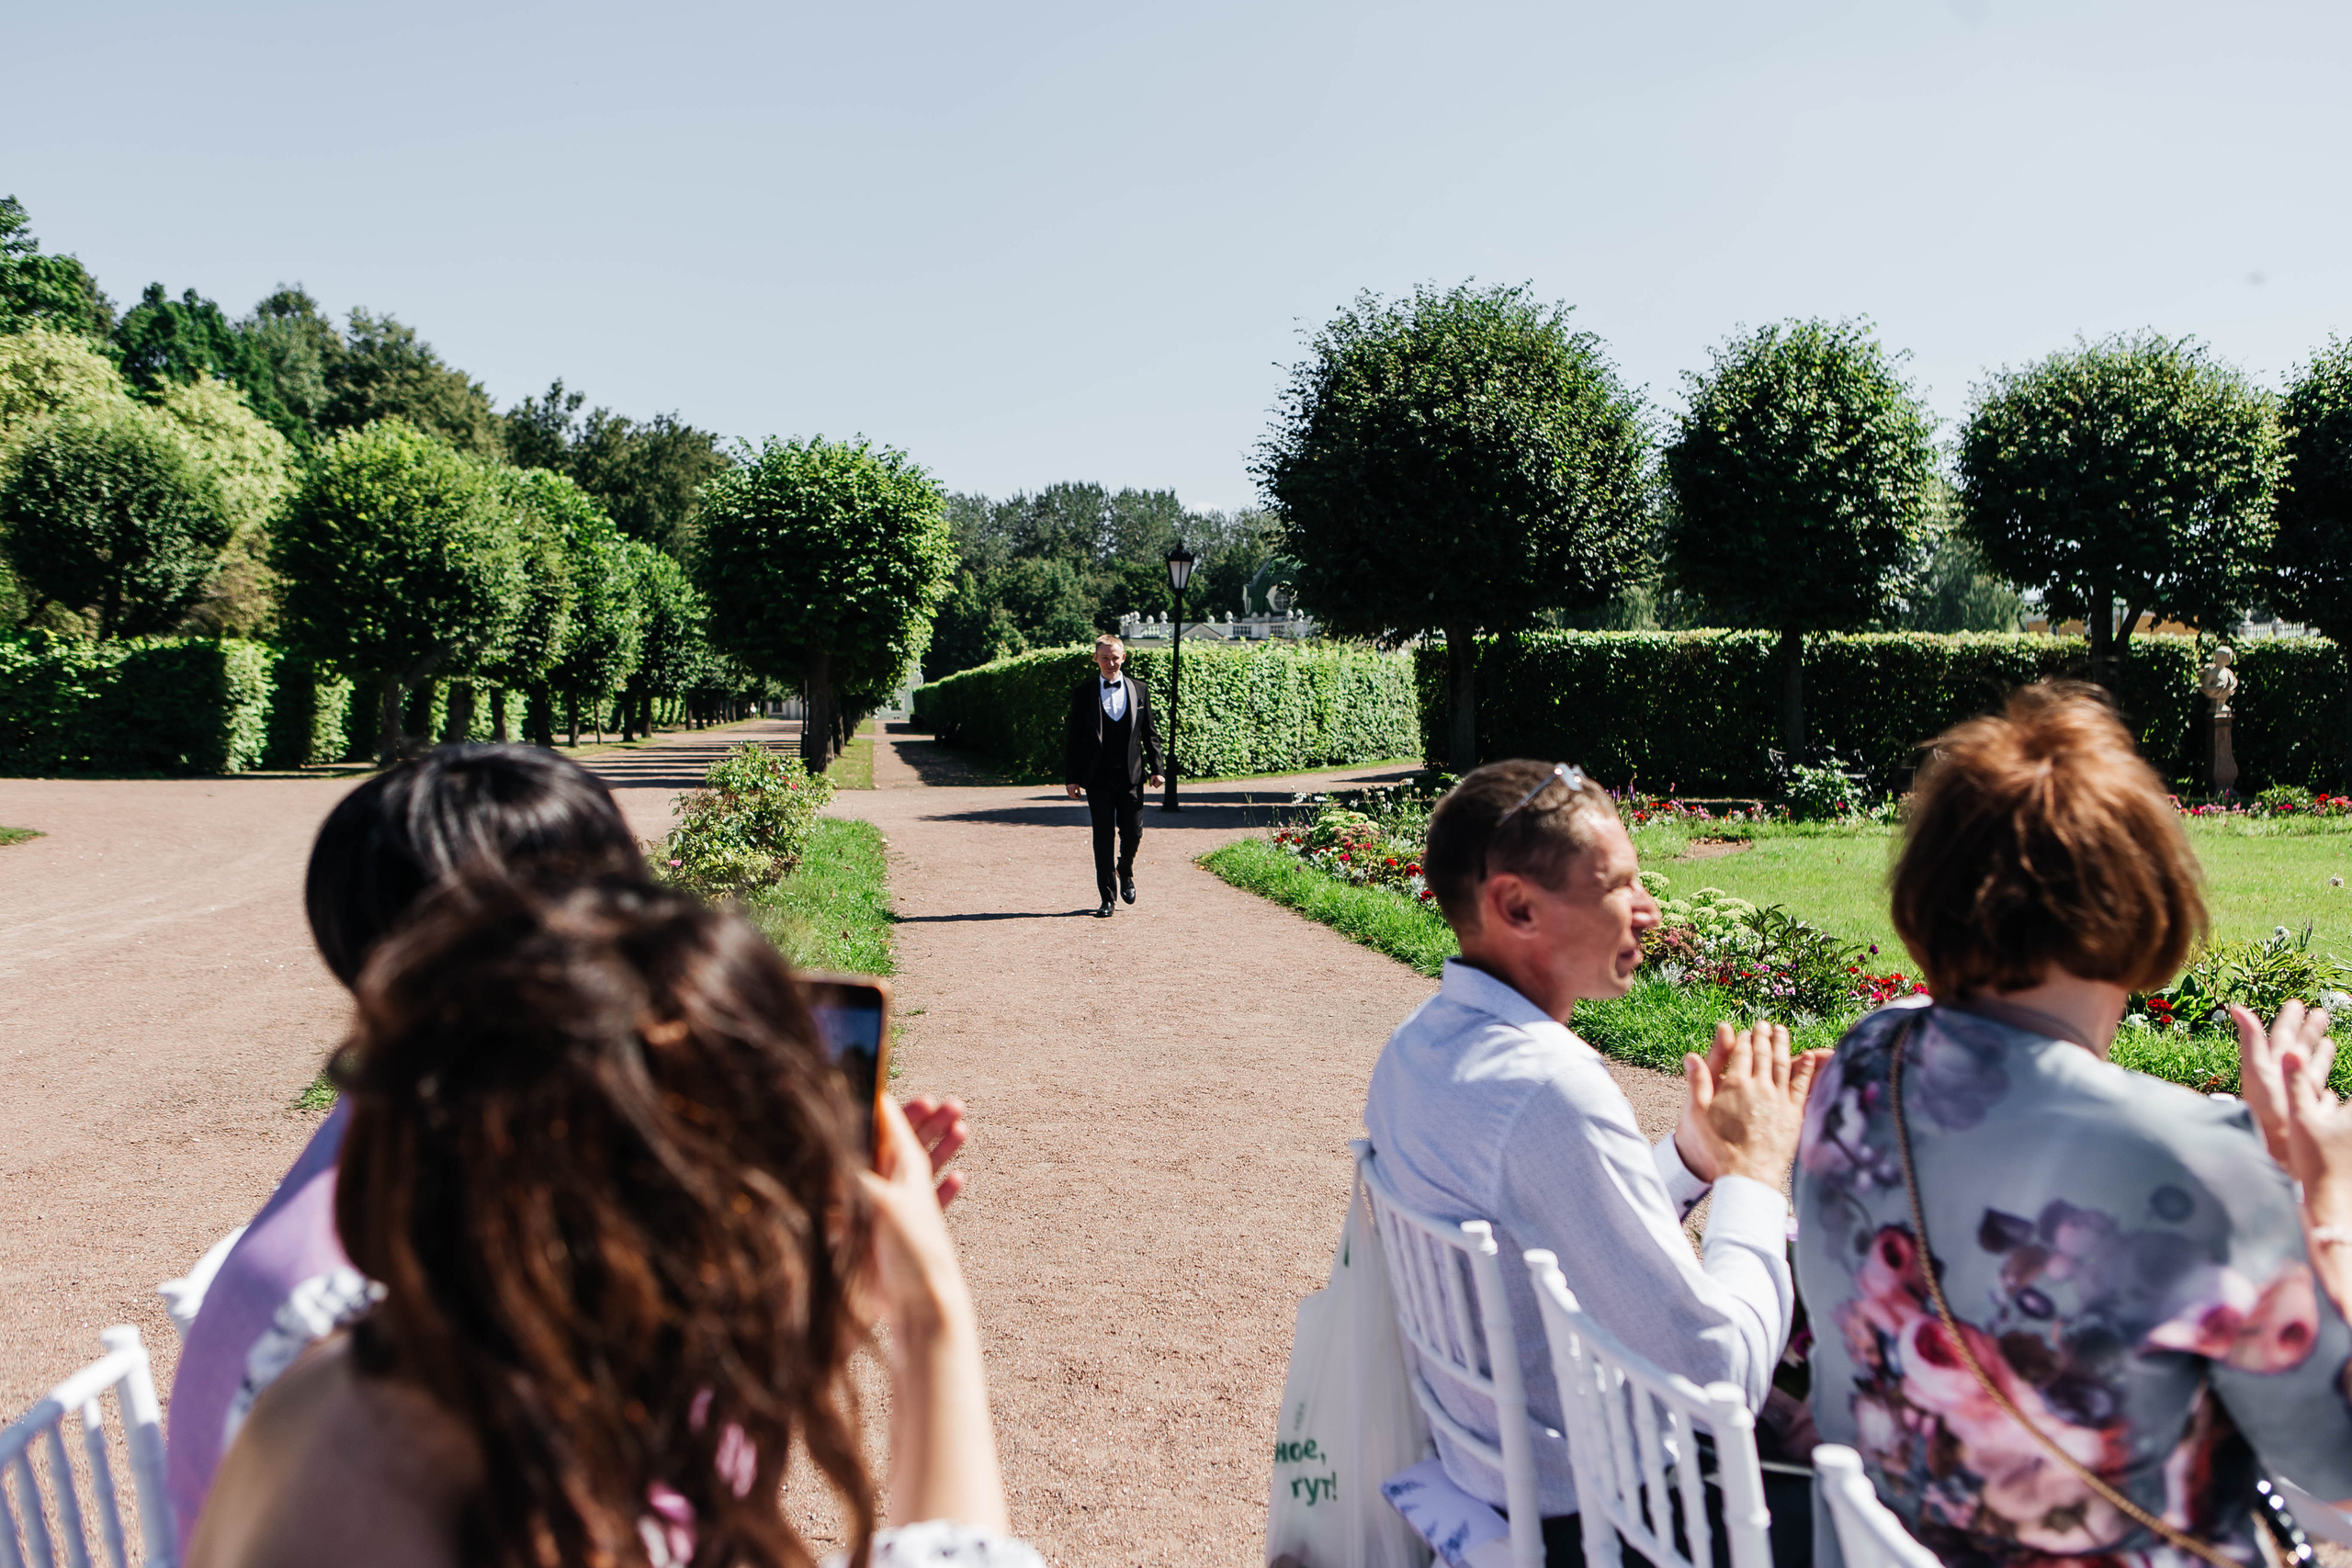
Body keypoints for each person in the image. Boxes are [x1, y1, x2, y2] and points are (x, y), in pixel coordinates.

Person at [165, 743, 974, 1546]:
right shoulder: (355, 1303)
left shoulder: (435, 1181)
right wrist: (925, 1310)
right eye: (618, 909)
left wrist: (825, 1299)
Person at [1794, 683, 2352, 1568]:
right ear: (2140, 899)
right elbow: (2335, 1459)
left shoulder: (1869, 1058)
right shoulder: (2204, 1158)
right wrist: (2321, 1193)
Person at [1361, 759, 1826, 1568]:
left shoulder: (1418, 1049)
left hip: (1498, 1476)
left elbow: (1553, 1212)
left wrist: (1692, 1157)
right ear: (1516, 905)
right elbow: (1718, 1379)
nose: (1649, 911)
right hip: (1613, 1521)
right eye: (1617, 885)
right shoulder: (1551, 1084)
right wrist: (1757, 1172)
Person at [1063, 634, 1163, 918]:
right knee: (1103, 838)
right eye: (1104, 657)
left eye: (1115, 657)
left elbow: (1150, 734)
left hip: (1131, 776)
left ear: (1124, 657)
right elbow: (1075, 740)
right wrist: (1072, 778)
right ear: (1096, 658)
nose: (1110, 662)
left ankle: (1125, 869)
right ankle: (1107, 898)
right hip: (1097, 778)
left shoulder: (1139, 689)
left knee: (1133, 832)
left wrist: (1158, 769)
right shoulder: (1084, 693)